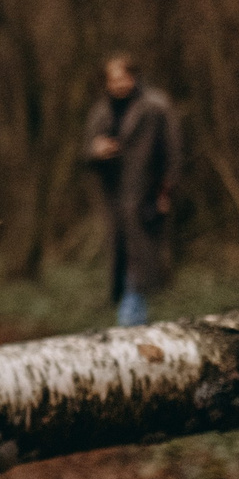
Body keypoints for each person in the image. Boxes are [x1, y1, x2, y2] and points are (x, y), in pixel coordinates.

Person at [82, 53, 181, 327]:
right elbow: (87, 151)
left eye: (123, 77)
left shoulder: (156, 106)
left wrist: (165, 192)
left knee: (142, 262)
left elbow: (172, 151)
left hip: (145, 195)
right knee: (123, 259)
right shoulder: (102, 110)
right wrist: (96, 150)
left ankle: (132, 322)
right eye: (113, 79)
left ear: (134, 77)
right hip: (114, 198)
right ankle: (133, 321)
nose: (119, 84)